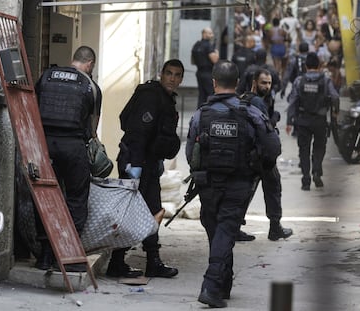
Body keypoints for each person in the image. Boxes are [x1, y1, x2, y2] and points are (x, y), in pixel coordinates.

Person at [186, 60, 281, 307]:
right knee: (225, 232)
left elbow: (189, 152)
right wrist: (259, 167)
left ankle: (222, 284)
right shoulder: (250, 112)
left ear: (213, 82)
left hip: (208, 184)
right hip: (239, 183)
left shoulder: (201, 114)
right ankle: (210, 286)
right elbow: (273, 147)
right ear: (238, 84)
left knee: (218, 232)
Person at [105, 59, 184, 279]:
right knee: (146, 212)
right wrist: (135, 167)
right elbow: (138, 132)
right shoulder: (152, 96)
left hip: (147, 163)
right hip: (138, 163)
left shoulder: (164, 98)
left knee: (151, 211)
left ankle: (134, 261)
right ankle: (132, 262)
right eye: (169, 73)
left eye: (177, 75)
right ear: (162, 74)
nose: (172, 78)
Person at [34, 46, 101, 272]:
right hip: (73, 147)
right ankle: (68, 255)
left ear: (74, 59)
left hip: (44, 146)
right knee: (76, 199)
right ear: (90, 63)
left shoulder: (46, 77)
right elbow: (92, 128)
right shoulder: (90, 86)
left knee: (45, 197)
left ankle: (44, 255)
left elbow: (32, 108)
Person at [241, 68, 293, 241]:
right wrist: (275, 118)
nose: (267, 86)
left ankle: (235, 227)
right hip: (260, 155)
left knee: (248, 190)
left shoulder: (249, 99)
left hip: (254, 154)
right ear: (254, 82)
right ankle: (275, 227)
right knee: (272, 188)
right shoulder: (257, 102)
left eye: (269, 83)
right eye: (264, 82)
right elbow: (264, 129)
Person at [286, 52, 340, 190]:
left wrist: (289, 121)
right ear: (320, 65)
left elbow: (293, 101)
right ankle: (316, 170)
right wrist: (335, 112)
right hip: (320, 121)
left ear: (305, 66)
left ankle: (305, 180)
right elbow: (334, 96)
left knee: (303, 150)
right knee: (319, 147)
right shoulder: (326, 80)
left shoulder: (299, 80)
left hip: (302, 120)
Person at [191, 28, 219, 108]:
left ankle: (200, 113)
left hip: (199, 72)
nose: (212, 35)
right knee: (210, 94)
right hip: (208, 73)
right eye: (210, 33)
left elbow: (192, 61)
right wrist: (216, 52)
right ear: (204, 34)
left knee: (202, 95)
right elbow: (215, 60)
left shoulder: (196, 44)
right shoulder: (208, 45)